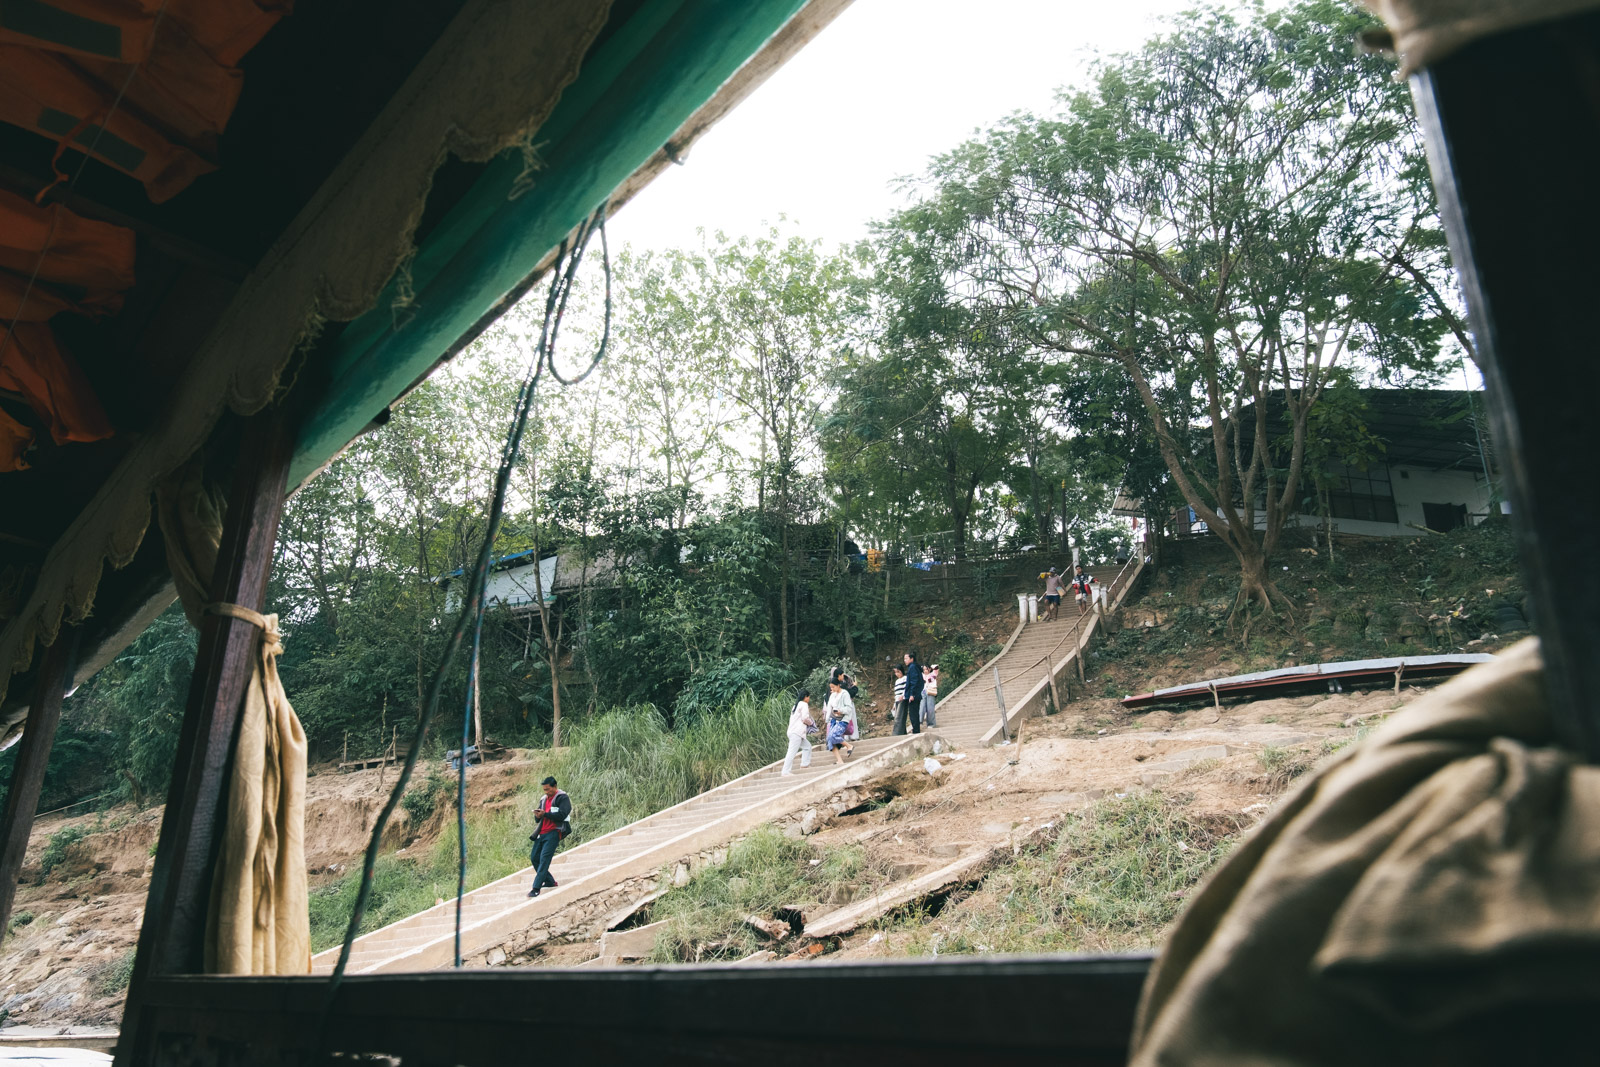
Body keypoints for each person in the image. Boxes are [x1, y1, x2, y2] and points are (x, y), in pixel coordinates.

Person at [527, 776, 570, 898]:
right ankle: (550, 881)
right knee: (535, 858)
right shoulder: (544, 799)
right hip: (542, 833)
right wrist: (538, 815)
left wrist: (545, 814)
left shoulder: (562, 797)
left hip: (554, 832)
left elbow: (562, 814)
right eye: (544, 790)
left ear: (554, 786)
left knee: (544, 859)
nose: (546, 792)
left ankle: (536, 888)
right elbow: (537, 819)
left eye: (548, 789)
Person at [781, 690, 817, 776]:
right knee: (791, 752)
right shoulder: (804, 704)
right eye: (808, 697)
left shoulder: (795, 705)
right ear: (806, 697)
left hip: (793, 732)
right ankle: (785, 771)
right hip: (796, 733)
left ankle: (804, 765)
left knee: (807, 746)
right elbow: (805, 718)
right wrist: (811, 723)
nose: (809, 699)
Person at [895, 651, 924, 735]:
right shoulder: (913, 667)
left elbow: (914, 682)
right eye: (904, 659)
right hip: (914, 694)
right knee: (913, 713)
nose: (905, 660)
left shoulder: (913, 667)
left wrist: (912, 694)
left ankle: (916, 731)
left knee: (913, 714)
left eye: (906, 658)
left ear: (912, 659)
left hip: (913, 695)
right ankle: (916, 730)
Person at [827, 677, 858, 743]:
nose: (832, 689)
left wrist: (840, 711)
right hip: (834, 719)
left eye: (833, 687)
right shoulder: (833, 695)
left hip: (843, 719)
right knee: (831, 740)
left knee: (833, 736)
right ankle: (846, 745)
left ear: (838, 686)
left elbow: (848, 708)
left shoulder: (845, 694)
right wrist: (827, 719)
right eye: (831, 688)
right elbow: (829, 707)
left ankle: (848, 746)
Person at [889, 664, 907, 730]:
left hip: (902, 699)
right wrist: (894, 703)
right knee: (898, 716)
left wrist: (903, 695)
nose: (897, 674)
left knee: (900, 717)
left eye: (898, 672)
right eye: (895, 672)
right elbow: (896, 693)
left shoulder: (905, 678)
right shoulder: (897, 681)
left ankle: (898, 731)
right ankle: (903, 731)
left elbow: (906, 688)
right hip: (897, 700)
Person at [922, 663, 939, 728]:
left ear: (929, 669)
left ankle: (931, 723)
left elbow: (936, 667)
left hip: (931, 692)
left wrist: (931, 667)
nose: (925, 671)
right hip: (924, 692)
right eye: (924, 669)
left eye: (926, 669)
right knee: (924, 708)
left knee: (930, 708)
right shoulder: (923, 675)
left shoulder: (933, 674)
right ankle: (926, 723)